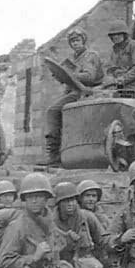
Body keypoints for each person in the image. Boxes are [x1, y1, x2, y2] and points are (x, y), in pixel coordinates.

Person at [45, 27, 104, 167]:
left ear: (83, 40)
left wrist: (71, 74)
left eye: (77, 40)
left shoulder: (91, 55)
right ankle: (54, 155)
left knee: (54, 111)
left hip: (88, 91)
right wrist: (61, 75)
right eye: (72, 41)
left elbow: (90, 77)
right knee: (54, 111)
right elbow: (68, 80)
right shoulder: (73, 58)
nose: (75, 43)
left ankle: (56, 155)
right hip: (74, 91)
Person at [102, 24, 135, 95]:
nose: (116, 37)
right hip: (116, 86)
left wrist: (121, 79)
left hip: (134, 87)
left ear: (124, 34)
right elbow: (110, 68)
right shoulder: (114, 50)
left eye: (119, 34)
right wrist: (109, 78)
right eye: (113, 35)